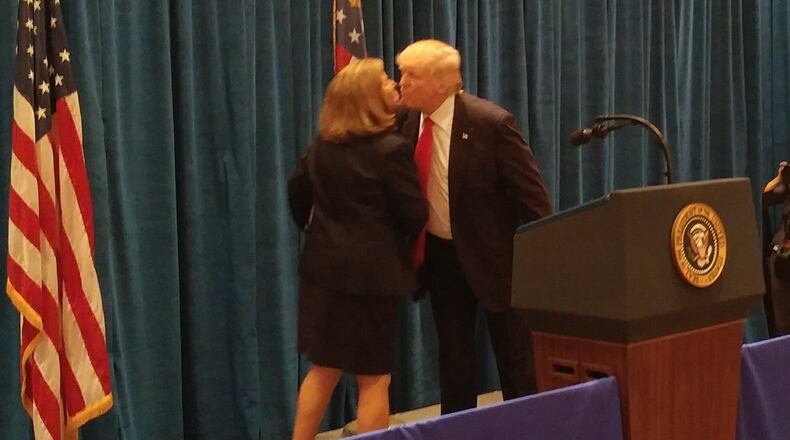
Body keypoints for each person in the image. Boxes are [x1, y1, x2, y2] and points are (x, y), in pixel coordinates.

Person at [395, 39, 553, 414]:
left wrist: (532, 267)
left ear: (441, 82)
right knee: (454, 364)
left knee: (515, 363)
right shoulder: (406, 122)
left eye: (412, 75)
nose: (402, 82)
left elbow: (536, 204)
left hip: (498, 262)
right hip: (441, 259)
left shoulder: (491, 124)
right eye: (402, 73)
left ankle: (528, 428)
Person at [286, 58, 427, 440]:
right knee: (374, 378)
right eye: (383, 80)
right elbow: (414, 212)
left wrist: (321, 233)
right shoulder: (391, 149)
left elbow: (297, 194)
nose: (393, 84)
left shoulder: (322, 147)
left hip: (323, 274)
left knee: (323, 370)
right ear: (367, 98)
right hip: (372, 280)